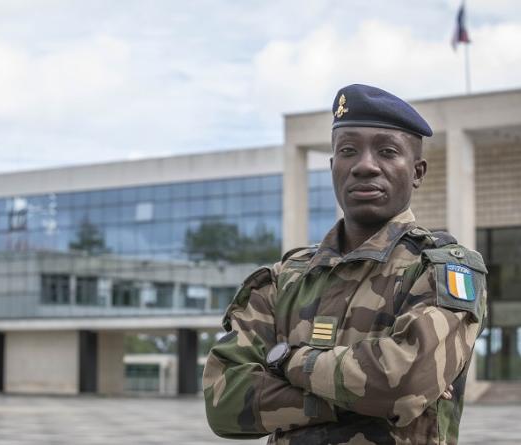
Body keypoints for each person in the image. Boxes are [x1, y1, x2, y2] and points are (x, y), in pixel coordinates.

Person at [203, 84, 487, 445]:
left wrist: (285, 359)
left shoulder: (439, 271)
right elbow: (223, 402)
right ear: (333, 165)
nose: (365, 166)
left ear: (417, 172)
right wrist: (358, 399)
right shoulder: (281, 281)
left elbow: (400, 384)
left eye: (387, 152)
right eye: (348, 151)